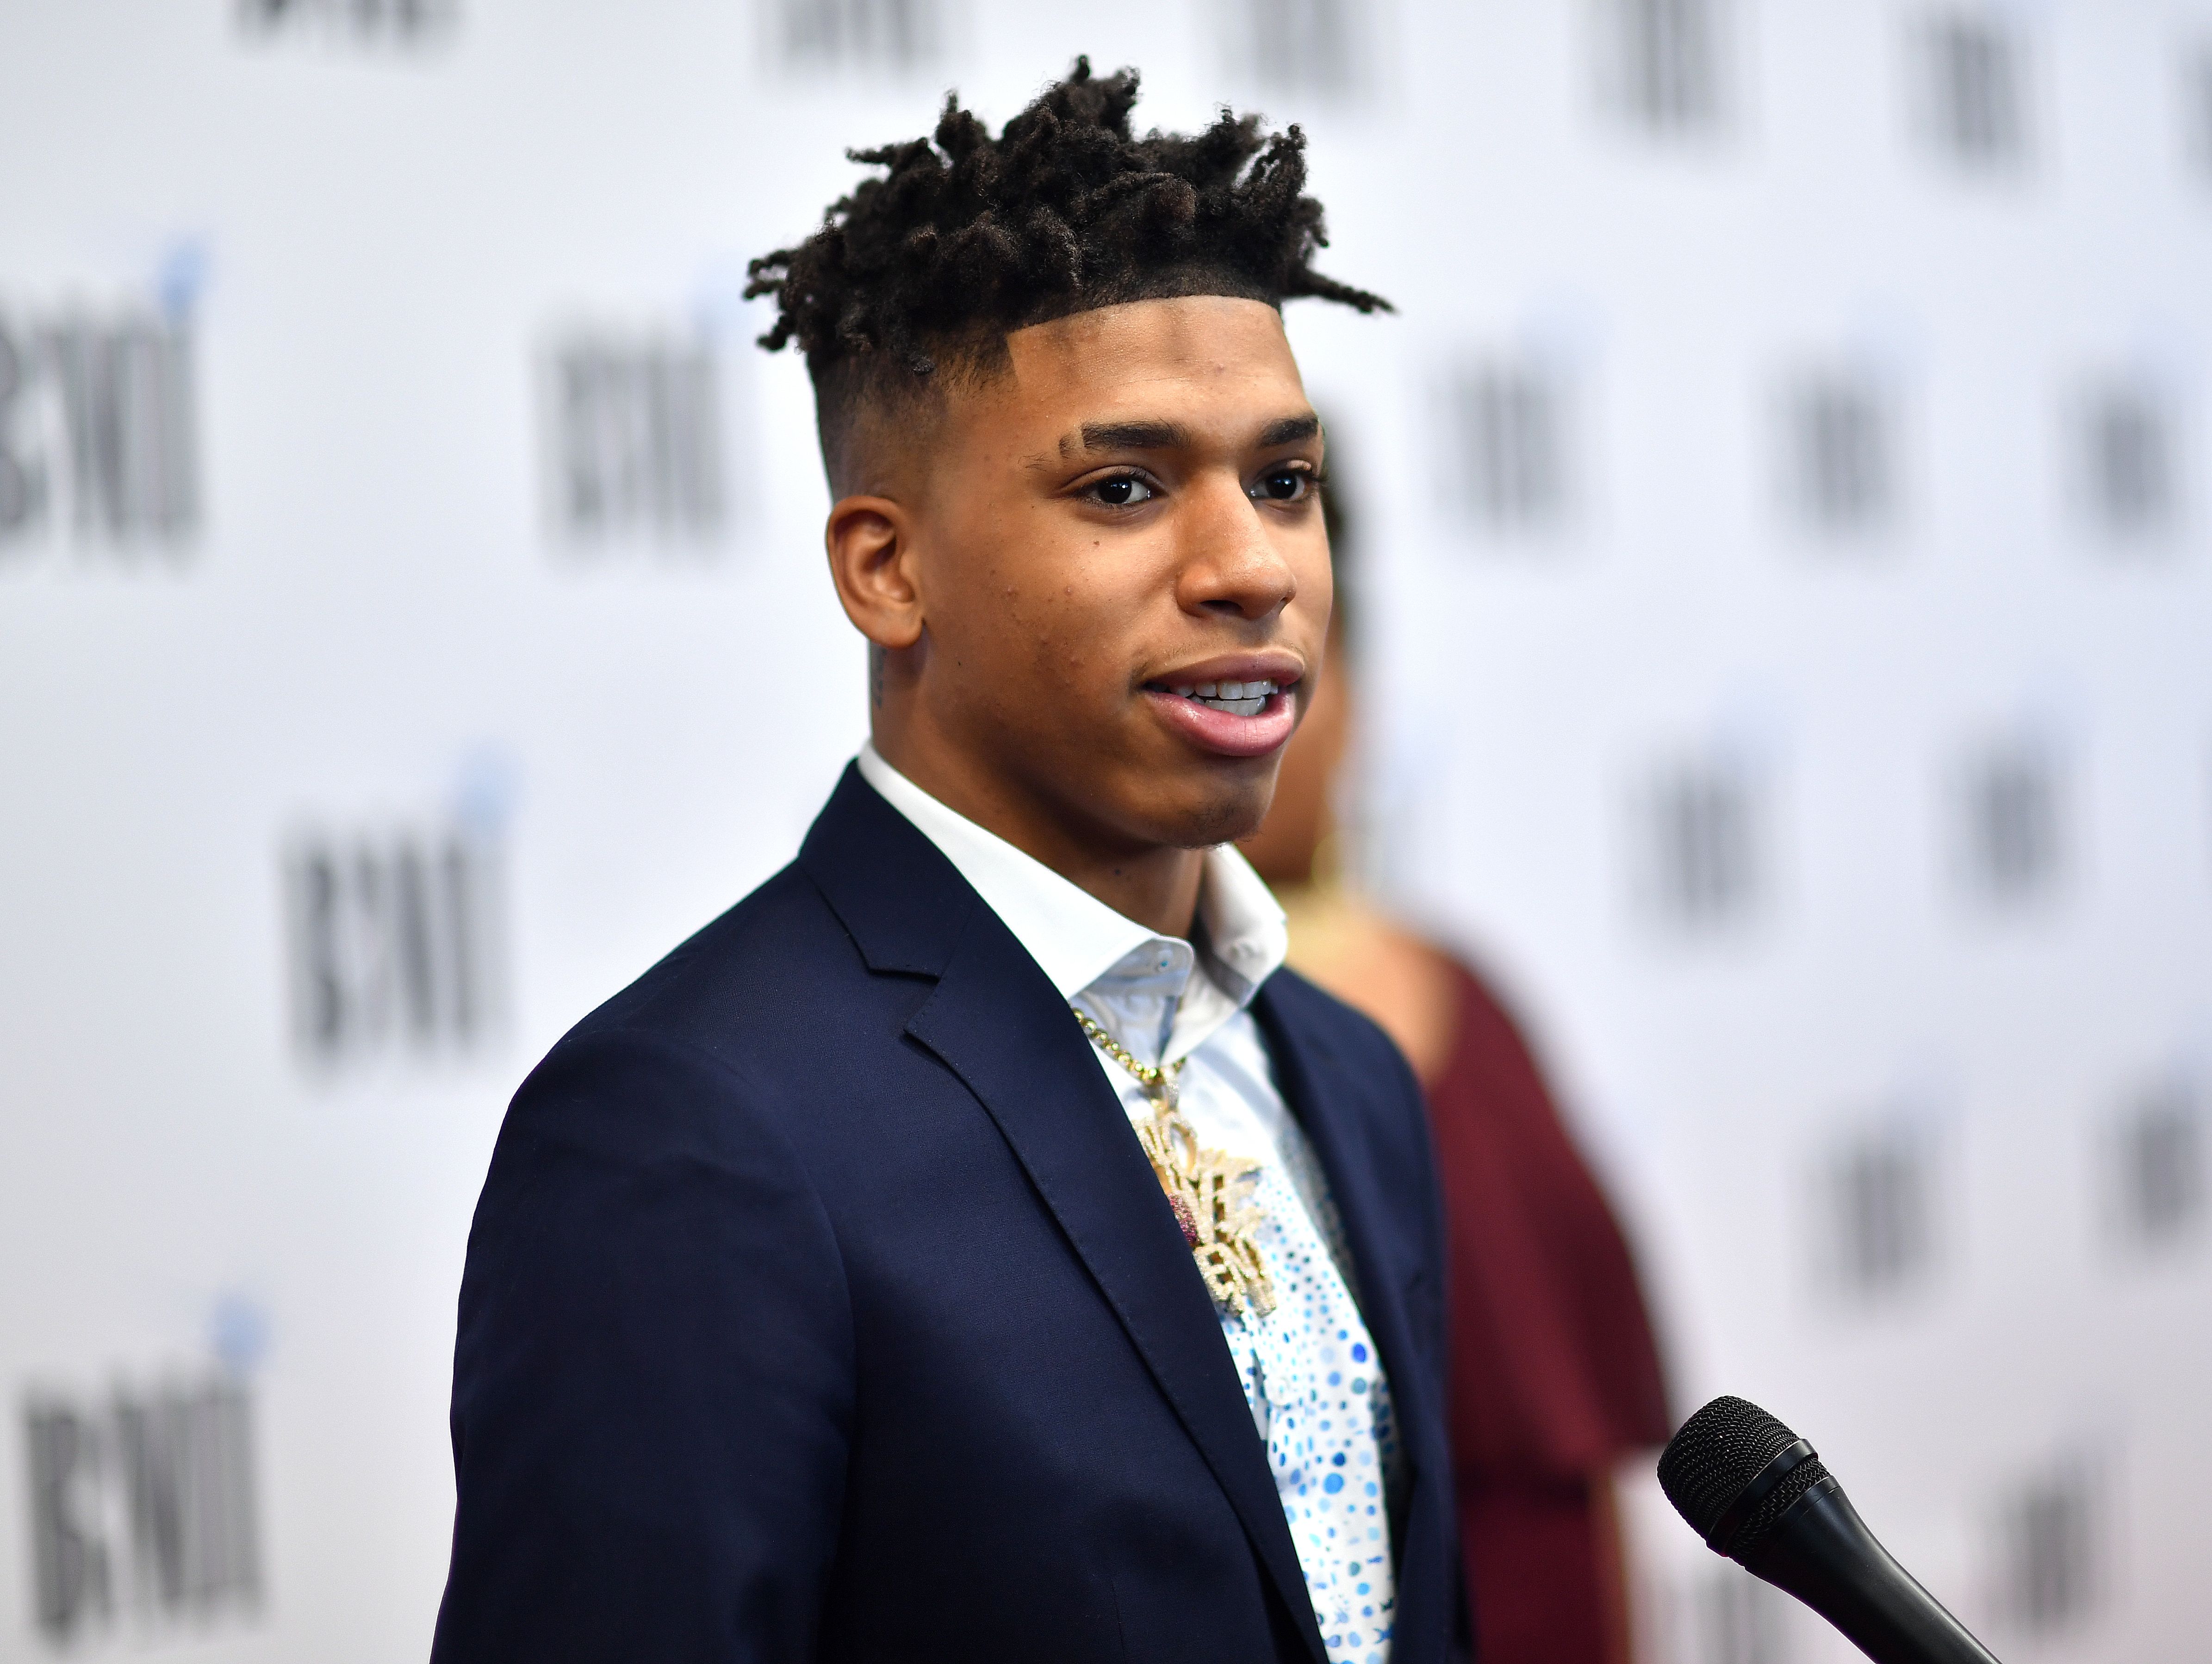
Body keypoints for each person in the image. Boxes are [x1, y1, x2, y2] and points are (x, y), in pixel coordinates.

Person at [430, 63, 1462, 1664]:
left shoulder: (1349, 1076)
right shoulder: (693, 1132)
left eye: (1284, 480)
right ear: (888, 567)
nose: (1252, 565)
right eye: (1124, 486)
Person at [1238, 482, 1671, 1664]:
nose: (1272, 718)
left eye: (1308, 673)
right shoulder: (1137, 1049)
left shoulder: (1464, 996)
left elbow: (1573, 1454)